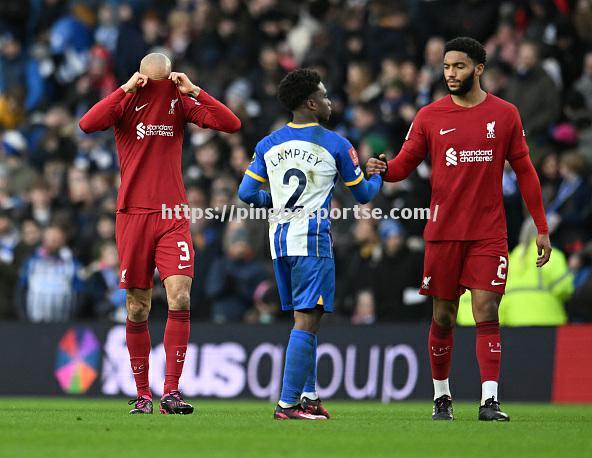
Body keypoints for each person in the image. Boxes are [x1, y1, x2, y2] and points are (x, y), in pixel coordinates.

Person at [367, 37, 551, 422]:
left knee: (486, 310)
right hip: (443, 232)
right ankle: (442, 397)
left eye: (459, 67)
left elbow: (526, 172)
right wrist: (384, 169)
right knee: (444, 316)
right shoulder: (430, 116)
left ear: (478, 69)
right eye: (446, 67)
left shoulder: (505, 114)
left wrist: (541, 227)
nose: (450, 73)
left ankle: (489, 401)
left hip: (488, 232)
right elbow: (404, 165)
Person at [79, 53, 241, 415]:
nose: (157, 90)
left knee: (180, 297)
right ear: (140, 78)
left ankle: (171, 392)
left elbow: (230, 124)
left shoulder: (179, 101)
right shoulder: (126, 101)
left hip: (172, 215)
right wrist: (124, 88)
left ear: (172, 78)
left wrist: (195, 90)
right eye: (151, 83)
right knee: (138, 306)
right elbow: (88, 124)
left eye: (162, 83)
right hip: (133, 215)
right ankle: (142, 395)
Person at [238, 68, 382, 420]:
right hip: (312, 242)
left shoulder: (268, 144)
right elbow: (363, 195)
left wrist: (274, 203)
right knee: (306, 321)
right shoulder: (336, 144)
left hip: (280, 243)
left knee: (307, 318)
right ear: (311, 103)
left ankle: (308, 396)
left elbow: (245, 193)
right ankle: (287, 405)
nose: (331, 101)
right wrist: (378, 176)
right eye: (325, 95)